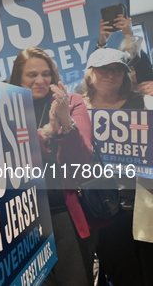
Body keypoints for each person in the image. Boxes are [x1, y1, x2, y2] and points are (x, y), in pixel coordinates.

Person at [8, 46, 94, 286]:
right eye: (31, 75)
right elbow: (11, 157)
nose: (40, 81)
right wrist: (46, 133)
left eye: (46, 74)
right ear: (18, 78)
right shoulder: (5, 106)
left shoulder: (73, 101)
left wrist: (65, 120)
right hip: (22, 218)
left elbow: (82, 159)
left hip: (62, 210)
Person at [80, 48, 153, 285]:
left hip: (145, 199)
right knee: (121, 270)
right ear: (90, 74)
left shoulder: (144, 101)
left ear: (125, 75)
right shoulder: (78, 111)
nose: (111, 74)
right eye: (104, 69)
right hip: (104, 204)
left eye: (117, 70)